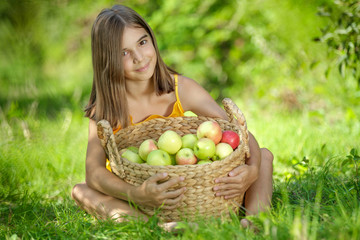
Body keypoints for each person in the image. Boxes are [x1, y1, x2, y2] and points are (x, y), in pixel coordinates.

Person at [71, 4, 273, 230]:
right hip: (141, 196)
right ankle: (158, 226)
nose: (139, 57)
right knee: (80, 190)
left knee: (263, 156)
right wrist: (137, 194)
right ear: (107, 60)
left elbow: (237, 131)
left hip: (196, 187)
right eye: (123, 52)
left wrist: (252, 171)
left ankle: (254, 219)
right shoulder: (105, 109)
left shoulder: (180, 89)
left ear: (152, 40)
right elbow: (94, 173)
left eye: (142, 42)